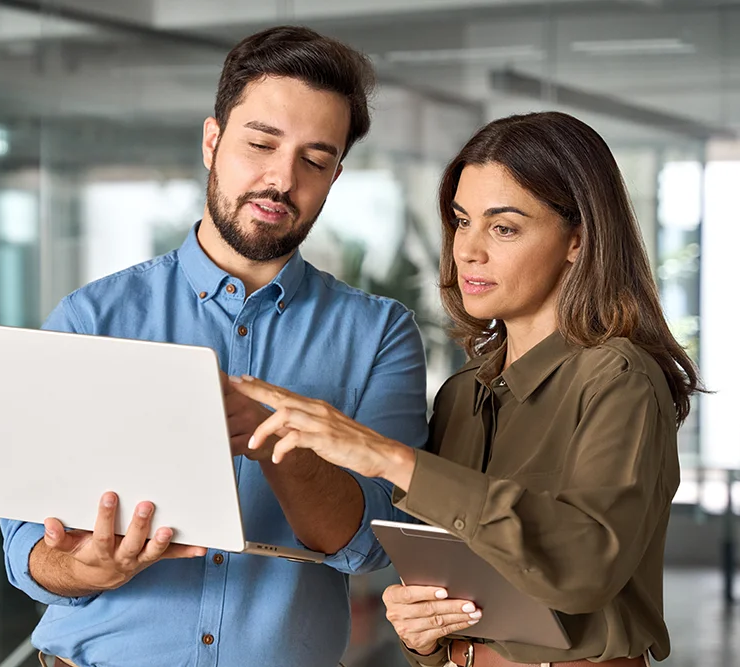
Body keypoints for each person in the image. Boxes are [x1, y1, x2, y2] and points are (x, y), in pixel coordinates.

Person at [0, 26, 430, 667]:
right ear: (212, 142)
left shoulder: (379, 335)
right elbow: (26, 549)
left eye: (314, 160)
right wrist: (84, 567)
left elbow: (372, 544)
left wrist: (275, 436)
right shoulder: (91, 318)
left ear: (335, 176)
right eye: (260, 144)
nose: (281, 179)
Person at [233, 111, 701, 667]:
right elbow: (457, 593)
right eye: (461, 221)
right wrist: (421, 629)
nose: (468, 250)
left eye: (503, 227)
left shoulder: (618, 379)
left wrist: (389, 458)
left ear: (577, 239)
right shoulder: (461, 396)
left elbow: (583, 569)